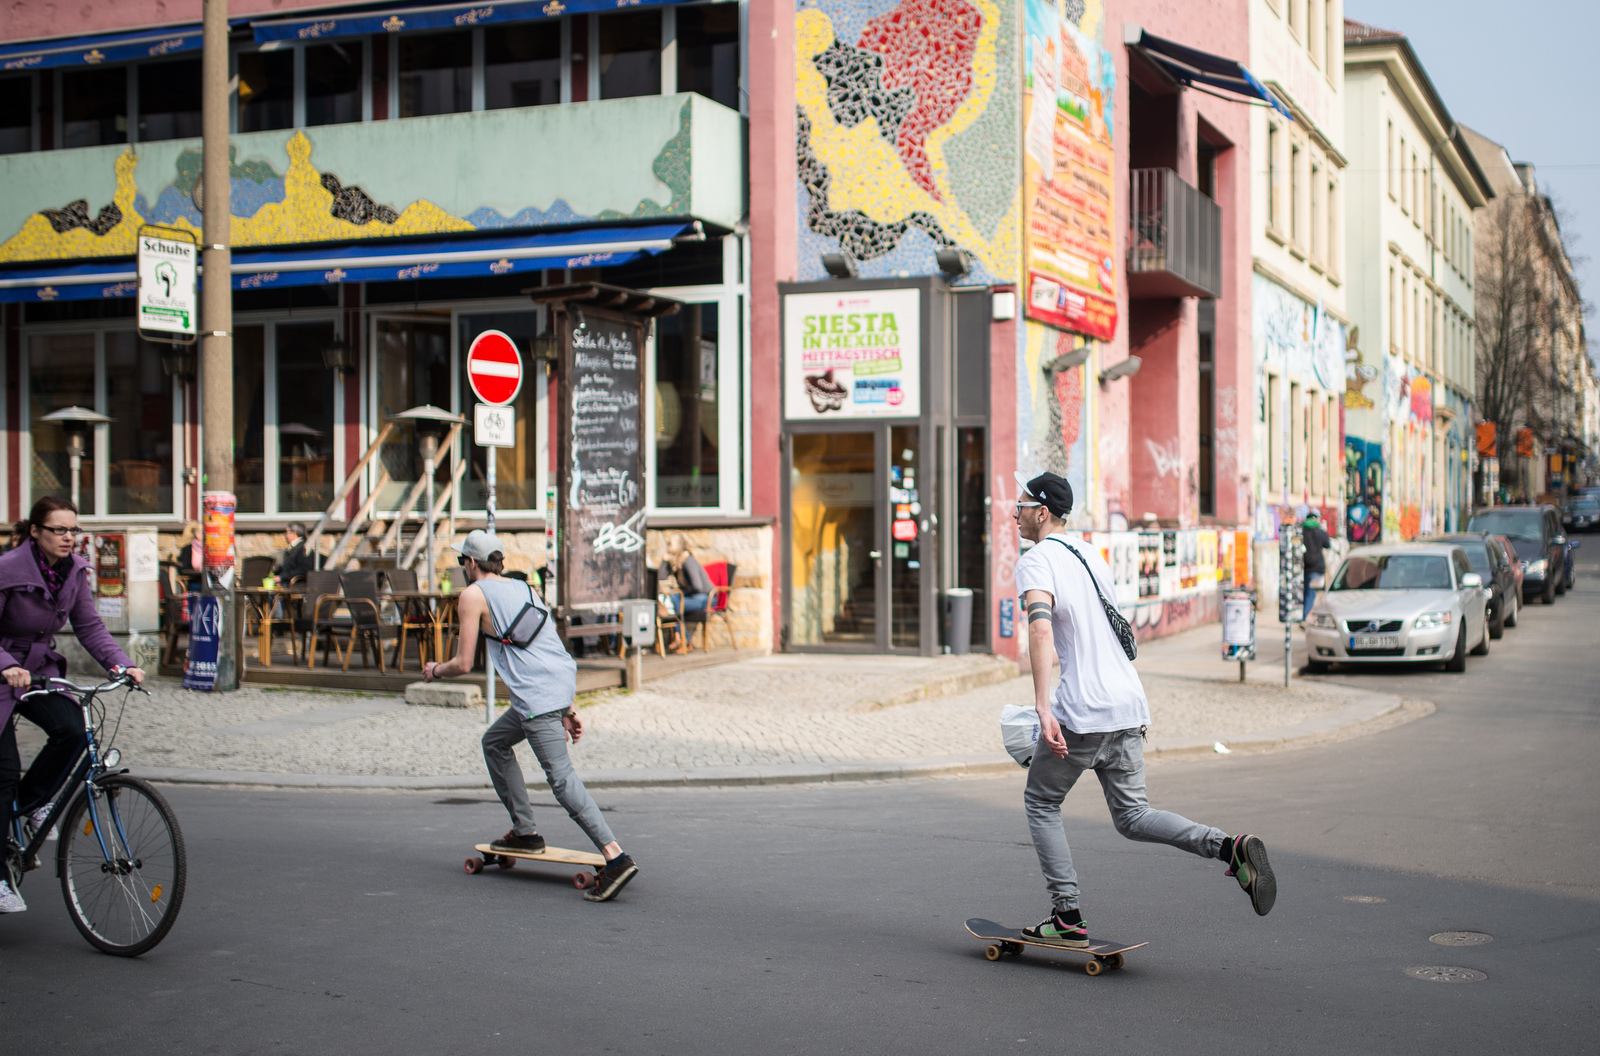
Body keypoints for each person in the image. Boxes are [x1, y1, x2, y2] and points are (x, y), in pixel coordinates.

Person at [1010, 471, 1275, 947]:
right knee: (1133, 816)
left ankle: (1067, 916)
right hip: (1128, 705)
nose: (1015, 512)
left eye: (1022, 504)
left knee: (1041, 802)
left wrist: (1042, 708)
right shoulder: (1091, 554)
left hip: (1083, 711)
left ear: (1042, 512)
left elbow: (1041, 629)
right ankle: (1229, 848)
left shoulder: (1037, 560)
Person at [423, 530, 638, 903]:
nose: (463, 567)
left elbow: (463, 662)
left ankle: (614, 855)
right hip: (549, 688)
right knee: (495, 742)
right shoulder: (526, 589)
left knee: (561, 778)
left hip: (535, 699)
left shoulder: (472, 596)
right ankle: (525, 831)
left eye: (463, 561)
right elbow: (550, 646)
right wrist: (567, 706)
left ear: (471, 563)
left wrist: (434, 671)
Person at [0, 496, 145, 914]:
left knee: (74, 730)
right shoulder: (8, 570)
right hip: (3, 673)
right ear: (35, 531)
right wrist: (7, 664)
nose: (68, 538)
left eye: (73, 530)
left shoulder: (75, 573)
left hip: (39, 671)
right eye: (59, 530)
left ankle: (30, 807)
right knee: (3, 773)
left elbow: (89, 626)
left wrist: (122, 664)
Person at [657, 533, 712, 653]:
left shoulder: (687, 560)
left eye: (670, 544)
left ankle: (683, 640)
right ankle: (682, 639)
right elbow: (661, 577)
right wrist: (664, 561)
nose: (668, 546)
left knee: (675, 601)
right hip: (693, 597)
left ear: (679, 545)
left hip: (705, 598)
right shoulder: (676, 562)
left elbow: (698, 586)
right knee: (671, 600)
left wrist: (682, 593)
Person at [1301, 510, 1331, 619]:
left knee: (1306, 592)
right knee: (1312, 593)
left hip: (1304, 566)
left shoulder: (1302, 530)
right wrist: (1324, 530)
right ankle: (1305, 616)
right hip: (1317, 567)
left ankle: (1304, 614)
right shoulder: (1319, 531)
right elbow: (1327, 544)